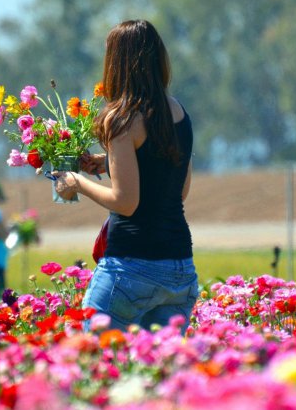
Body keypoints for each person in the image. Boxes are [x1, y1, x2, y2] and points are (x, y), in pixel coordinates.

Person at [53, 19, 199, 334]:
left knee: (94, 362)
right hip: (180, 269)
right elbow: (179, 189)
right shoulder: (179, 114)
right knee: (159, 373)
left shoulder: (121, 118)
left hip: (130, 268)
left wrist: (77, 182)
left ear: (116, 64)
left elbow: (126, 202)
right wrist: (110, 163)